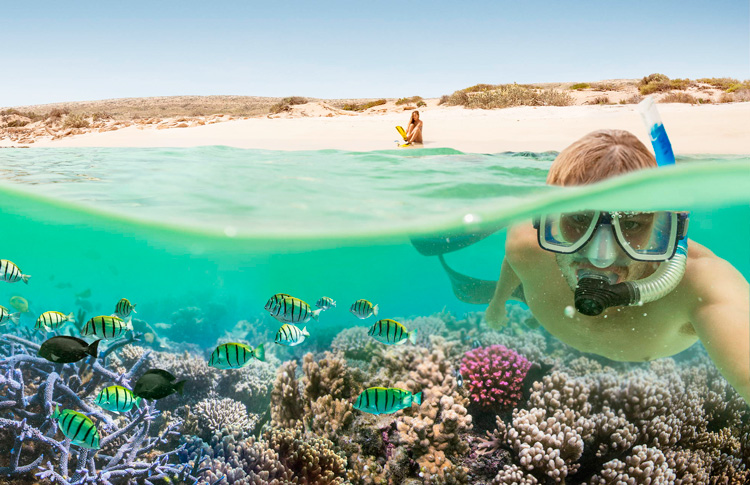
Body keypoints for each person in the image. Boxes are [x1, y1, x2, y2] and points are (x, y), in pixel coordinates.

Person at [485, 129, 750, 403]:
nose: (602, 258)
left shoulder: (702, 285)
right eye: (578, 219)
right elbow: (514, 264)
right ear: (549, 217)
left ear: (663, 227)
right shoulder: (525, 244)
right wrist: (497, 303)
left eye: (632, 224)